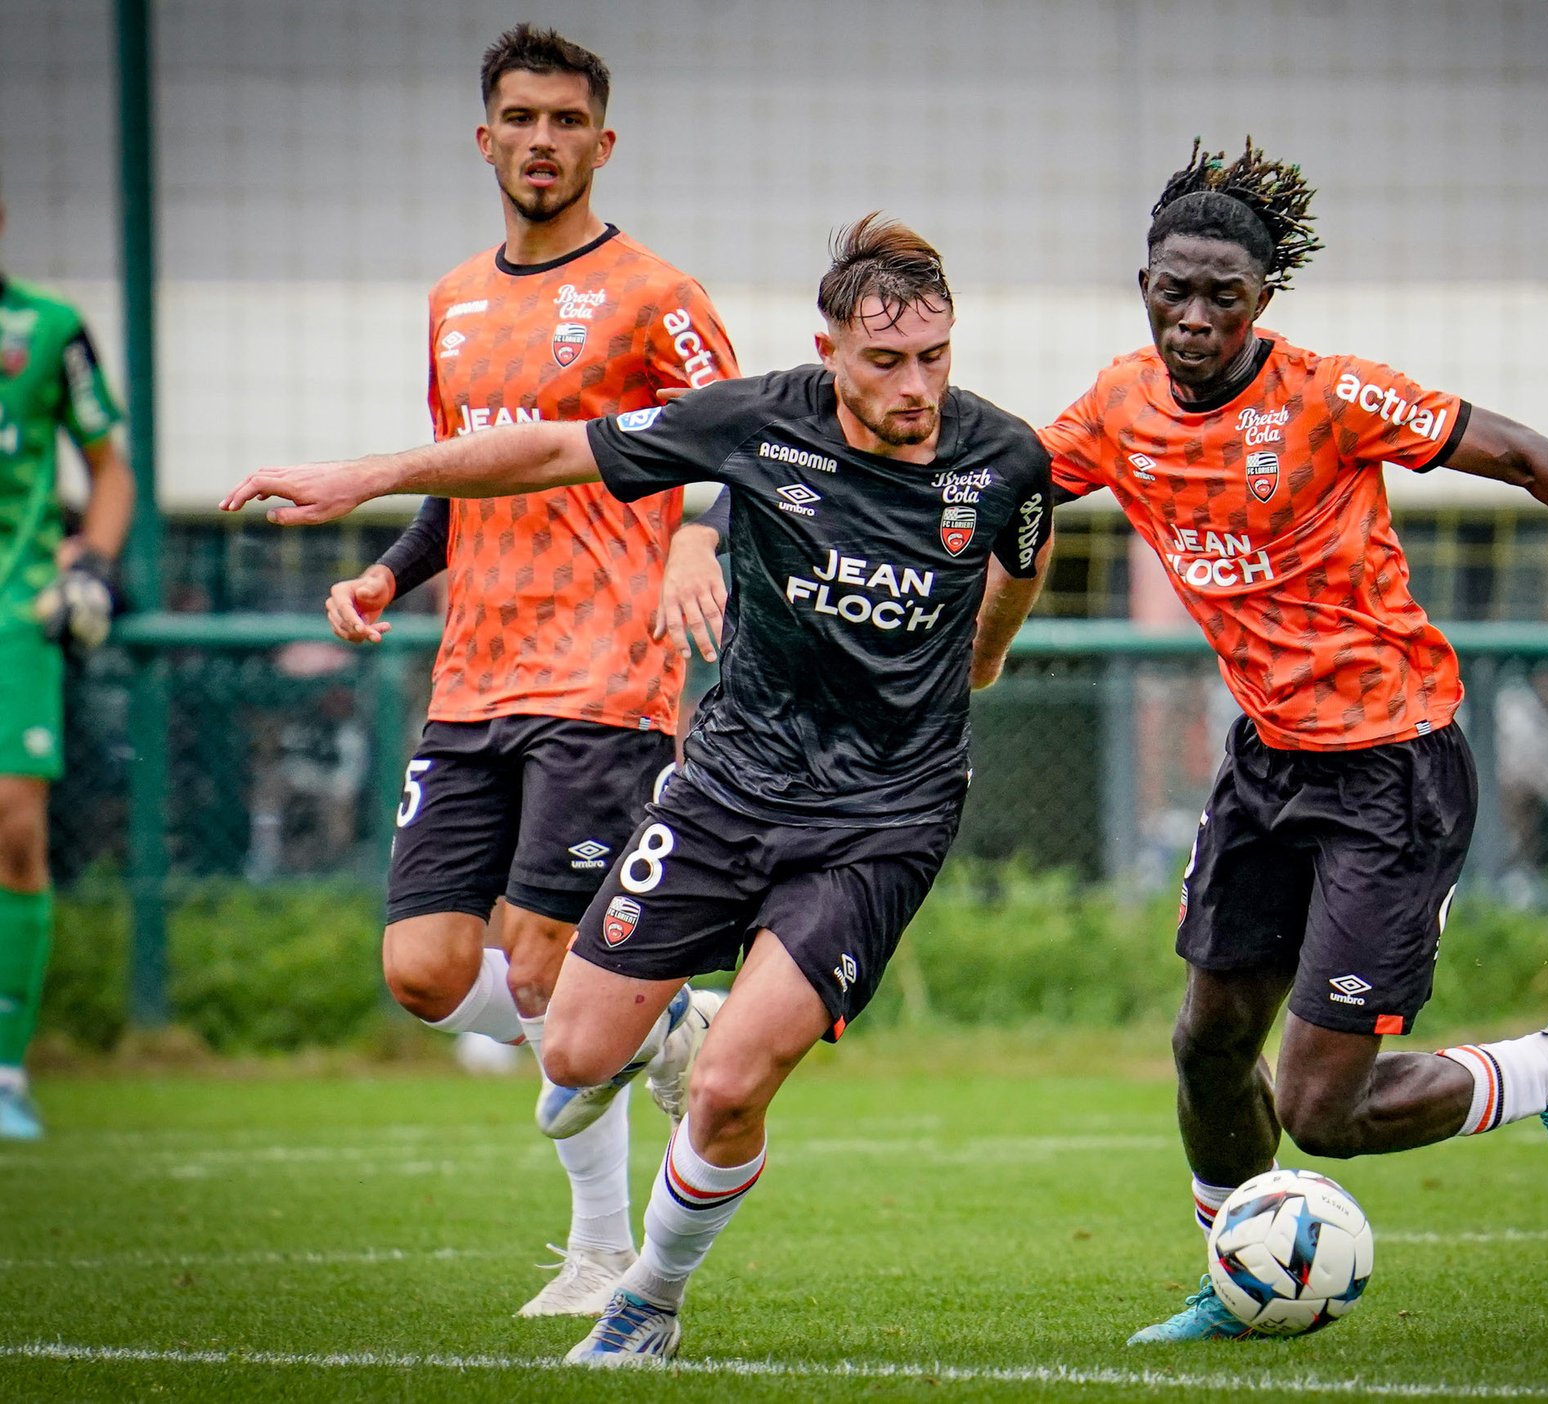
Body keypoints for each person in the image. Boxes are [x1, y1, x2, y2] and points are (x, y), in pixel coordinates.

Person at [222, 213, 1053, 1366]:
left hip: (882, 818)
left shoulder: (1002, 456)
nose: (915, 386)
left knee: (726, 1089)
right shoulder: (754, 422)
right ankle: (667, 1017)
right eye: (884, 361)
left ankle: (645, 1299)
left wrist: (987, 655)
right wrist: (365, 477)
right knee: (567, 1049)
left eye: (934, 357)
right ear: (828, 351)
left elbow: (1021, 550)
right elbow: (548, 452)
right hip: (724, 791)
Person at [1036, 141, 1548, 1343]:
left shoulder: (1331, 396)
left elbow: (1529, 457)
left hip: (1392, 770)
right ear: (1142, 286)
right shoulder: (1116, 406)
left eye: (1220, 295)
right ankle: (1233, 1280)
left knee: (1323, 1110)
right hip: (1266, 762)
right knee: (1207, 1040)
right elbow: (1010, 478)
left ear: (1261, 300)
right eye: (1171, 290)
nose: (1191, 318)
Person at [315, 25, 740, 1317]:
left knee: (549, 967)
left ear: (601, 144)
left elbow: (732, 434)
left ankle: (605, 1251)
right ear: (485, 136)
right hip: (471, 681)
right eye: (521, 117)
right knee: (426, 970)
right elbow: (466, 475)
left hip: (604, 676)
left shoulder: (656, 295)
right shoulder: (452, 303)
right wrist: (391, 571)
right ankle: (666, 1022)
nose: (542, 139)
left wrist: (697, 535)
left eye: (566, 120)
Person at [0, 187, 134, 1142]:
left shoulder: (48, 329)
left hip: (16, 615)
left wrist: (88, 561)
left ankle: (6, 1069)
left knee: (14, 829)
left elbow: (110, 468)